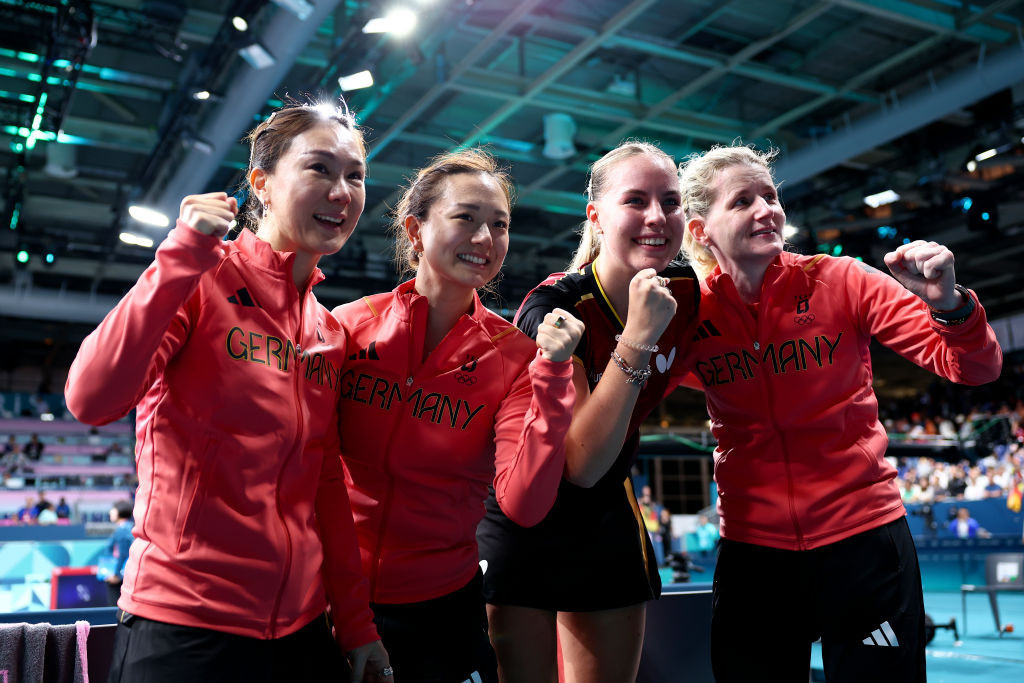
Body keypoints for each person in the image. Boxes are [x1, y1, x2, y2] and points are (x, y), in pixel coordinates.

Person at [64, 101, 391, 683]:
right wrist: (182, 255)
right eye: (319, 169)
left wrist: (357, 624)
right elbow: (91, 398)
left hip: (301, 633)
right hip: (185, 625)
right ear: (261, 183)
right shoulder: (199, 281)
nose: (342, 192)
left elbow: (324, 487)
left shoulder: (329, 331)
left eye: (356, 176)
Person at [676, 144, 1002, 682]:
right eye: (741, 201)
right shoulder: (688, 315)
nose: (766, 209)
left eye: (770, 195)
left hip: (864, 542)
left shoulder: (842, 280)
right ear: (700, 230)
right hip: (755, 555)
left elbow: (974, 368)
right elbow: (628, 385)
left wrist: (950, 305)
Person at [332, 147, 582, 683]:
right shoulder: (349, 326)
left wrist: (555, 376)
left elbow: (525, 504)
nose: (485, 239)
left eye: (499, 224)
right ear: (415, 230)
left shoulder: (517, 356)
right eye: (465, 218)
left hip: (441, 608)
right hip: (329, 597)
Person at [477, 141, 701, 683]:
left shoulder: (689, 294)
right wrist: (640, 338)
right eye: (636, 200)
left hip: (606, 517)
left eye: (670, 202)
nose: (656, 217)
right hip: (524, 515)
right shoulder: (554, 309)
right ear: (596, 217)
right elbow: (580, 462)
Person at [102, 499, 135, 605]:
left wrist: (116, 575)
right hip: (127, 573)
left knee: (115, 605)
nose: (110, 512)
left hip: (121, 575)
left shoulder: (122, 529)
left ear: (119, 511)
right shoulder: (129, 527)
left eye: (113, 509)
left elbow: (123, 554)